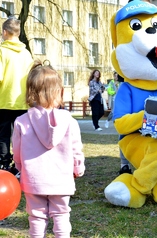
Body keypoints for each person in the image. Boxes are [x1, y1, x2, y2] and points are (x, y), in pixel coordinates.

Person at [12, 60, 85, 237]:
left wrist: (22, 170)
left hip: (33, 179)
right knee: (61, 214)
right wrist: (78, 169)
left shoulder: (21, 121)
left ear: (30, 92)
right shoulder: (70, 121)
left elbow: (18, 154)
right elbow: (76, 150)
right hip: (61, 179)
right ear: (59, 92)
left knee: (36, 217)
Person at [0, 17, 34, 175]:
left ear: (4, 32)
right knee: (22, 136)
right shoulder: (27, 54)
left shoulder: (1, 51)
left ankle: (4, 165)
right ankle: (23, 166)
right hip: (23, 102)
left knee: (3, 136)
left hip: (4, 101)